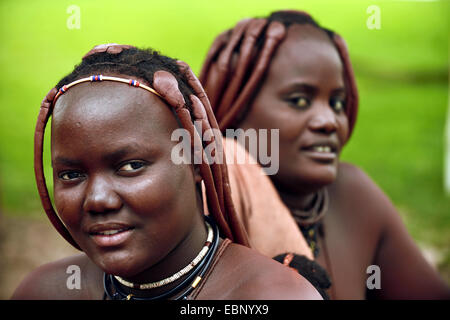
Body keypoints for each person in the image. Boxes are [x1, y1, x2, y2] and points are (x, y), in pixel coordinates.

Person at [11, 44, 322, 300]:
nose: (97, 199)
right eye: (71, 175)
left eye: (130, 167)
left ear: (198, 161)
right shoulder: (45, 291)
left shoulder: (271, 296)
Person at [200, 10, 450, 299]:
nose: (328, 120)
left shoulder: (353, 195)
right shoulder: (203, 212)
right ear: (236, 110)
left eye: (337, 103)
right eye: (300, 100)